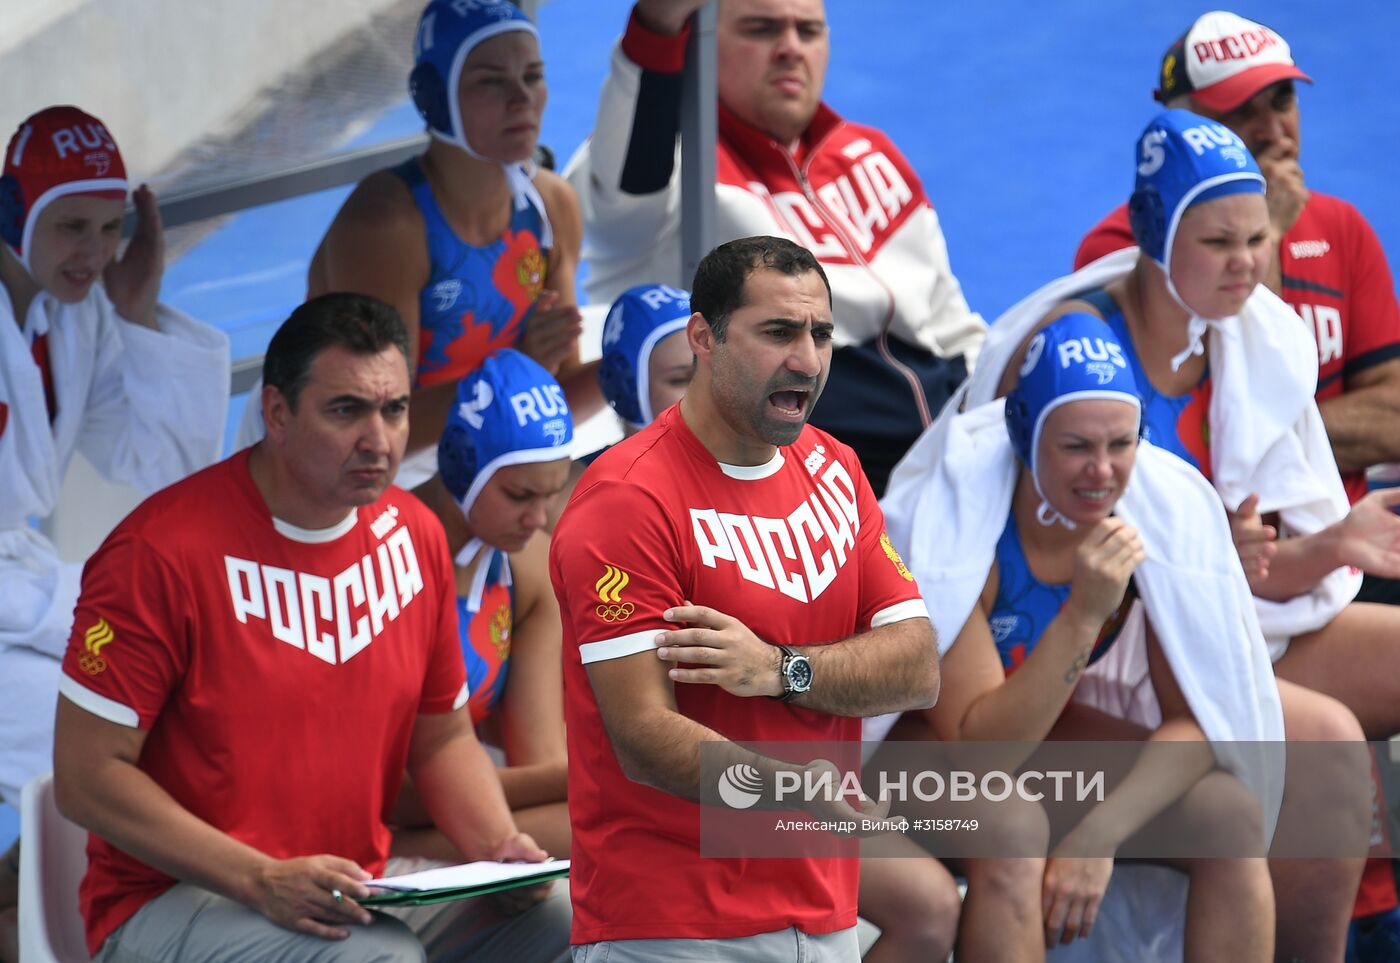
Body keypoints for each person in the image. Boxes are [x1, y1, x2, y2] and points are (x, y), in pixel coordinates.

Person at [941, 108, 1386, 961]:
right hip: (1062, 653)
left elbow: (1212, 575)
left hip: (1189, 621)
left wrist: (1309, 552)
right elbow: (977, 686)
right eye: (1218, 241)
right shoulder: (1060, 358)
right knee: (1322, 748)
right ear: (1152, 234)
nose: (1247, 265)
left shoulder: (1257, 344)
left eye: (1259, 240)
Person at [52, 293, 569, 962]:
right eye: (345, 409)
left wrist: (498, 848)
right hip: (174, 898)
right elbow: (85, 775)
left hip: (352, 886)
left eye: (395, 409)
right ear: (276, 413)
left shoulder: (414, 535)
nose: (377, 440)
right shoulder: (158, 552)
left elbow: (440, 739)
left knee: (567, 916)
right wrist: (258, 877)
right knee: (377, 955)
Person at [550, 235, 940, 960]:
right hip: (670, 928)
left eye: (821, 333)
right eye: (778, 332)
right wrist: (793, 793)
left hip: (822, 913)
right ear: (705, 337)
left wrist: (780, 668)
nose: (809, 359)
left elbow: (916, 667)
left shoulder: (835, 468)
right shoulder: (626, 500)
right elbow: (642, 738)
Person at [564, 0, 986, 494]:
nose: (790, 49)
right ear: (703, 41)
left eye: (807, 31)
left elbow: (952, 322)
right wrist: (658, 29)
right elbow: (622, 195)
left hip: (946, 445)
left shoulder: (870, 154)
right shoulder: (675, 167)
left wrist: (990, 417)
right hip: (801, 457)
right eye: (762, 30)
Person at [0, 104, 230, 957]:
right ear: (10, 214)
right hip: (12, 603)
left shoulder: (81, 316)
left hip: (21, 590)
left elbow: (161, 465)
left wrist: (134, 316)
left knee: (169, 705)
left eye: (108, 227)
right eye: (69, 227)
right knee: (97, 764)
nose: (92, 253)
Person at [239, 0, 594, 489]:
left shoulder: (551, 207)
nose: (521, 99)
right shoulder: (387, 226)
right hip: (342, 461)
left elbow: (561, 392)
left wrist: (645, 364)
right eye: (492, 81)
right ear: (435, 97)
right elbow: (378, 425)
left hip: (478, 441)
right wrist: (518, 372)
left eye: (533, 76)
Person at [1074, 12, 1400, 526]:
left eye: (1283, 102)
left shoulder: (1342, 227)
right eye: (1241, 112)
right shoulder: (1126, 247)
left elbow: (1394, 417)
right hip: (1231, 551)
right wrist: (1265, 230)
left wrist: (1278, 440)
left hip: (1357, 532)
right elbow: (1208, 451)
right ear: (1178, 121)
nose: (1273, 131)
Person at [396, 348, 573, 860]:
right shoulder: (390, 562)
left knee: (697, 816)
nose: (539, 518)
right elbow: (383, 795)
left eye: (552, 494)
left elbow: (538, 761)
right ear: (460, 467)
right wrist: (606, 773)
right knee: (665, 820)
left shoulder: (527, 569)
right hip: (375, 838)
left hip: (468, 819)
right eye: (519, 496)